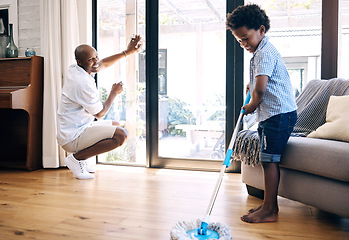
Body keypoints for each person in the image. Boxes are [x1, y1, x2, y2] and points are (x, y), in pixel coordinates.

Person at [226, 4, 297, 223]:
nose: (244, 44)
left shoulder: (264, 52)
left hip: (278, 115)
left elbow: (261, 90)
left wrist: (251, 106)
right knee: (267, 160)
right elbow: (258, 83)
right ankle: (268, 204)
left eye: (246, 38)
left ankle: (270, 210)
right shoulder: (261, 51)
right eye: (239, 41)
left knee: (269, 161)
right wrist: (252, 86)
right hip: (272, 115)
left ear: (262, 30)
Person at [57, 35, 143, 180]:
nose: (96, 61)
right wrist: (113, 93)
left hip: (78, 128)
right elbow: (100, 114)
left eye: (96, 56)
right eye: (91, 59)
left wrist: (127, 52)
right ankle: (76, 159)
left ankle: (82, 160)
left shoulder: (75, 69)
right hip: (72, 137)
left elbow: (102, 64)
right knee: (121, 135)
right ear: (80, 62)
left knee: (116, 125)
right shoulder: (82, 83)